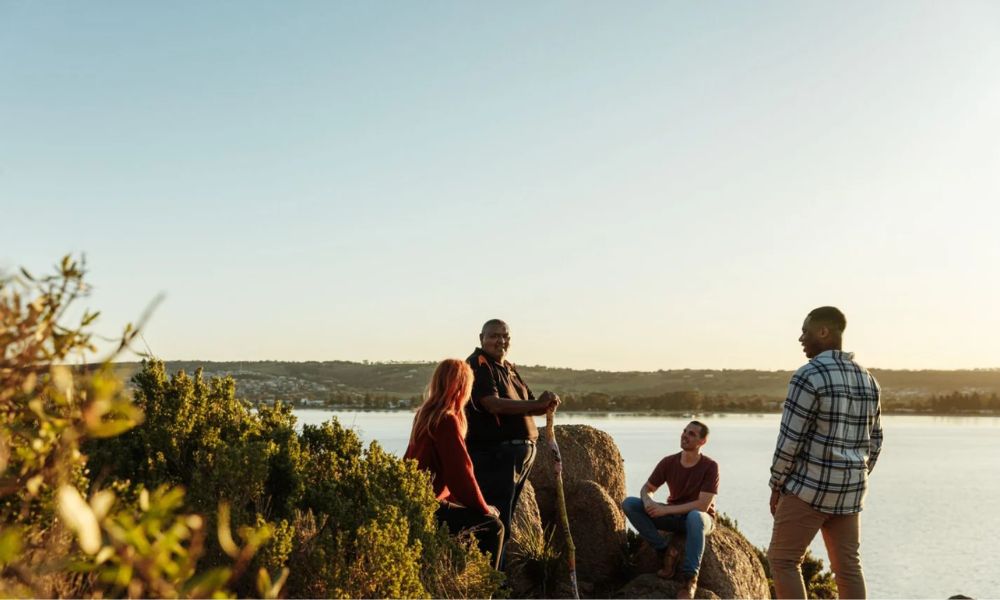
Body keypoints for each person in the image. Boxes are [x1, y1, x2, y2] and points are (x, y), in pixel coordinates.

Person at [767, 306, 883, 599]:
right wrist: (855, 474)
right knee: (848, 568)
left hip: (808, 490)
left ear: (823, 332)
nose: (800, 338)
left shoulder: (808, 376)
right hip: (851, 492)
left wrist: (777, 485)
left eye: (805, 331)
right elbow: (876, 441)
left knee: (783, 560)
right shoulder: (868, 379)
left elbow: (790, 440)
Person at [465, 318, 560, 567]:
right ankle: (491, 576)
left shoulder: (508, 367)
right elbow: (491, 403)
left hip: (518, 455)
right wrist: (536, 404)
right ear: (481, 338)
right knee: (496, 518)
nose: (501, 340)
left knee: (506, 516)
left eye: (505, 336)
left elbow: (530, 403)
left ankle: (497, 574)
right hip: (496, 455)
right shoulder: (477, 365)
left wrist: (546, 402)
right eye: (494, 335)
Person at [404, 358, 504, 568]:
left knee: (469, 517)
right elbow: (460, 474)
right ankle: (485, 588)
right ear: (461, 388)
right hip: (429, 507)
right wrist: (485, 508)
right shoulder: (447, 420)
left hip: (414, 501)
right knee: (493, 526)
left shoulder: (424, 415)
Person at [622, 421, 719, 600]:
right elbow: (647, 488)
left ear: (702, 441)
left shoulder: (710, 466)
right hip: (674, 517)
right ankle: (665, 551)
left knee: (695, 517)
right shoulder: (669, 462)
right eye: (684, 431)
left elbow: (702, 505)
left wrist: (665, 511)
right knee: (630, 504)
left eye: (691, 434)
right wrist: (648, 501)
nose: (685, 435)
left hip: (700, 520)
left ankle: (690, 580)